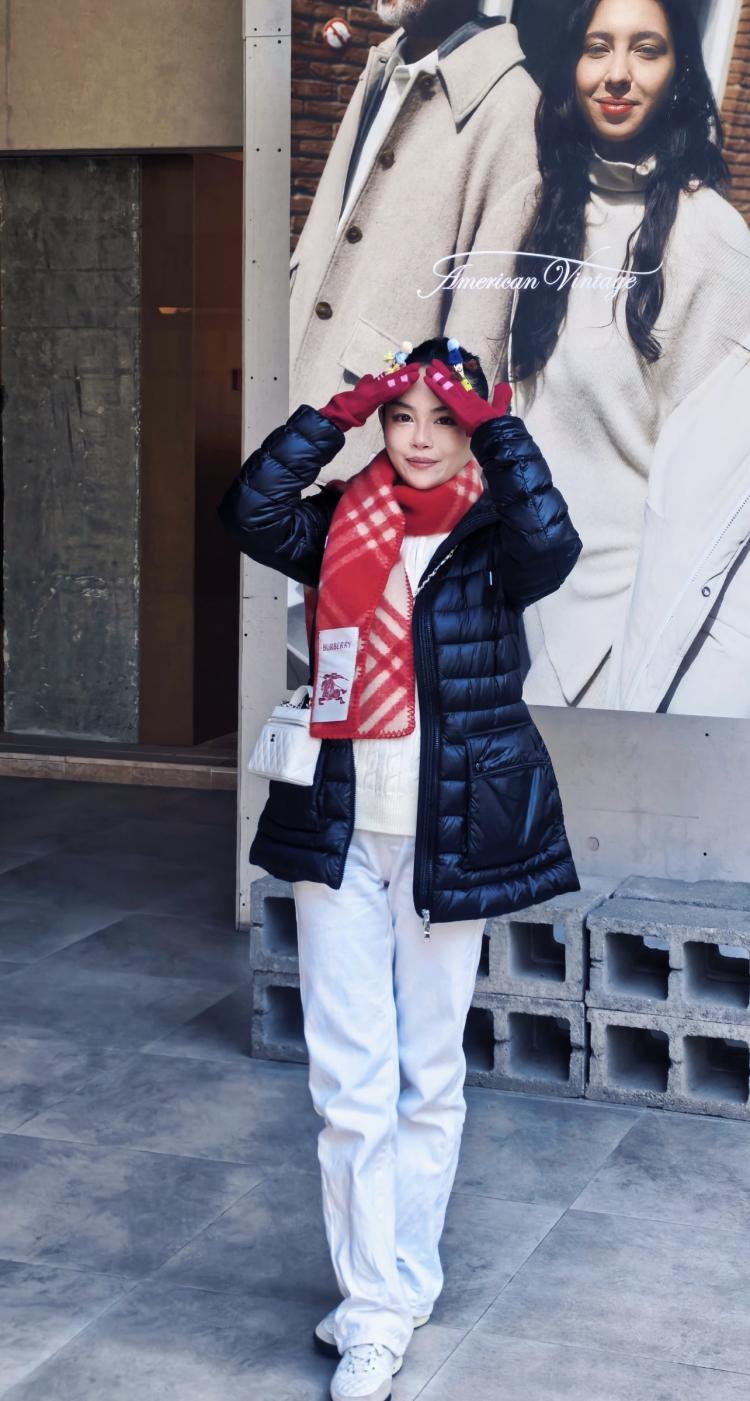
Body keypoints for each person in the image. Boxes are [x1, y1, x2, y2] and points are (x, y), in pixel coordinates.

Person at [218, 336, 582, 1401]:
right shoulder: (338, 518)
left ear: (471, 433)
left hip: (454, 831)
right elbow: (248, 510)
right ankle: (374, 1309)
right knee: (349, 1083)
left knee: (430, 1073)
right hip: (339, 826)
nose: (419, 439)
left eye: (444, 421)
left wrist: (500, 426)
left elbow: (554, 543)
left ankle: (402, 1277)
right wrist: (332, 415)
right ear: (381, 422)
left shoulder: (496, 537)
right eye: (402, 417)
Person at [473, 0, 750, 716]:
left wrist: (635, 679)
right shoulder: (537, 211)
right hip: (512, 631)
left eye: (646, 49)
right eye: (598, 47)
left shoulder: (712, 241)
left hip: (624, 665)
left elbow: (709, 508)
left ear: (680, 70)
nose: (617, 74)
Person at [290, 0, 540, 480]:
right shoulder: (386, 64)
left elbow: (474, 351)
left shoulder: (515, 112)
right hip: (294, 425)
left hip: (366, 468)